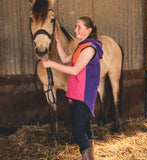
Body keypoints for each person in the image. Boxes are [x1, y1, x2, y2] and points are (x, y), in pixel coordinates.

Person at [41, 16, 103, 160]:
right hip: (78, 92)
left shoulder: (89, 49)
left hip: (84, 93)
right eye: (75, 26)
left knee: (77, 129)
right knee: (86, 126)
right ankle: (90, 155)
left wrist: (51, 64)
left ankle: (88, 157)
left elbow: (74, 70)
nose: (75, 30)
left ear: (89, 30)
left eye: (79, 27)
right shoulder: (81, 46)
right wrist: (57, 40)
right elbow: (64, 59)